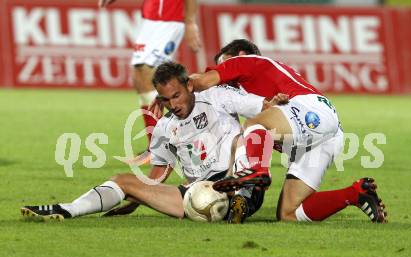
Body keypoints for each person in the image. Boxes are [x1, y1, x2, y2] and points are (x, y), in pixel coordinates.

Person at [20, 62, 282, 222]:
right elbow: (156, 176)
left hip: (232, 181)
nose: (173, 104)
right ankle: (66, 209)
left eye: (177, 95)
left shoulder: (216, 96)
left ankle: (244, 199)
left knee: (246, 134)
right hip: (194, 197)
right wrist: (135, 196)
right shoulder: (165, 127)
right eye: (166, 99)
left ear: (190, 86)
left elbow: (262, 107)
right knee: (123, 179)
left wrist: (276, 107)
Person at [191, 39, 387, 224]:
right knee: (289, 213)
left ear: (240, 54)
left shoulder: (244, 61)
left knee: (253, 125)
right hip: (324, 137)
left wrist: (167, 90)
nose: (221, 77)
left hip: (312, 110)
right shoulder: (255, 91)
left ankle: (258, 172)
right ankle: (357, 193)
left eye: (221, 65)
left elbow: (200, 82)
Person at [99, 0, 202, 163]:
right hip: (151, 18)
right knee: (140, 77)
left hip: (169, 18)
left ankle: (183, 140)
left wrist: (190, 21)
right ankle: (158, 146)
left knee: (148, 71)